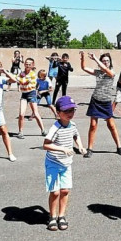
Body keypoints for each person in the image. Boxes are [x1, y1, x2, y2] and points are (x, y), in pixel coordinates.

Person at [43, 96, 87, 231]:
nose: (70, 114)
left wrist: (80, 146)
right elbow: (46, 145)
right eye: (66, 111)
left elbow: (76, 135)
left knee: (65, 190)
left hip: (66, 164)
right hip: (53, 163)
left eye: (72, 110)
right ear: (58, 113)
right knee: (55, 192)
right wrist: (62, 149)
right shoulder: (55, 128)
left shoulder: (72, 125)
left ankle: (61, 215)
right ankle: (52, 216)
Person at [80, 51, 121, 158]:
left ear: (110, 63)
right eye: (104, 61)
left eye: (107, 61)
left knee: (111, 125)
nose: (105, 62)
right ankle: (90, 149)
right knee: (93, 125)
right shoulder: (98, 72)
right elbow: (84, 68)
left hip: (106, 102)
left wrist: (95, 58)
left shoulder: (112, 72)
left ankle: (119, 146)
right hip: (95, 100)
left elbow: (107, 71)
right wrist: (82, 57)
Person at [15, 58, 46, 139]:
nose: (27, 65)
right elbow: (16, 79)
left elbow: (23, 82)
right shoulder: (21, 73)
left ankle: (43, 130)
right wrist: (18, 78)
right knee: (21, 114)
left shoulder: (33, 74)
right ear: (24, 64)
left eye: (29, 64)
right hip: (24, 94)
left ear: (32, 65)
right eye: (26, 64)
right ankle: (20, 132)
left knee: (35, 113)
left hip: (31, 94)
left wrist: (19, 79)